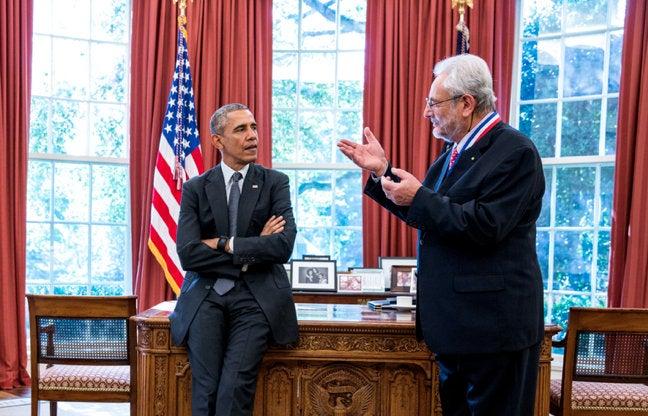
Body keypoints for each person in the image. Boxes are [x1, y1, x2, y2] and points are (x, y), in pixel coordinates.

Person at [338, 54, 545, 415]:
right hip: (456, 329)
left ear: (467, 103)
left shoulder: (516, 152)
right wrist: (381, 172)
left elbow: (484, 227)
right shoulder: (453, 153)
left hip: (494, 331)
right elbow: (429, 212)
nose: (427, 112)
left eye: (434, 103)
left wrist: (419, 196)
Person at [169, 103, 298, 416]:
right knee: (206, 390)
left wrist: (226, 244)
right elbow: (188, 253)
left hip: (256, 297)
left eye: (253, 127)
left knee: (234, 390)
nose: (252, 135)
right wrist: (251, 251)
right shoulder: (196, 188)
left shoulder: (274, 182)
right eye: (241, 129)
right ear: (218, 141)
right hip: (206, 296)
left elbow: (282, 246)